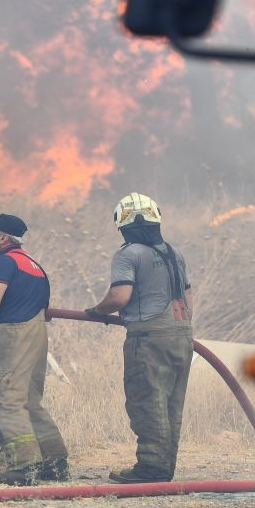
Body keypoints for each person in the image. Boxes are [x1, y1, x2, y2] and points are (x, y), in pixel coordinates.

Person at [85, 193, 194, 484]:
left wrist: (97, 310)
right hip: (182, 334)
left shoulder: (128, 254)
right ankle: (163, 467)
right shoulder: (174, 252)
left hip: (148, 337)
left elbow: (120, 296)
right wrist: (180, 326)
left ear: (123, 223)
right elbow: (188, 295)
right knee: (172, 403)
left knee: (147, 399)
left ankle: (150, 468)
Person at [0, 213, 69, 485]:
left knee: (4, 399)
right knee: (30, 401)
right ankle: (55, 465)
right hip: (36, 336)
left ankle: (25, 467)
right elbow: (42, 310)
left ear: (3, 238)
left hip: (13, 336)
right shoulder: (34, 265)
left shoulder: (5, 262)